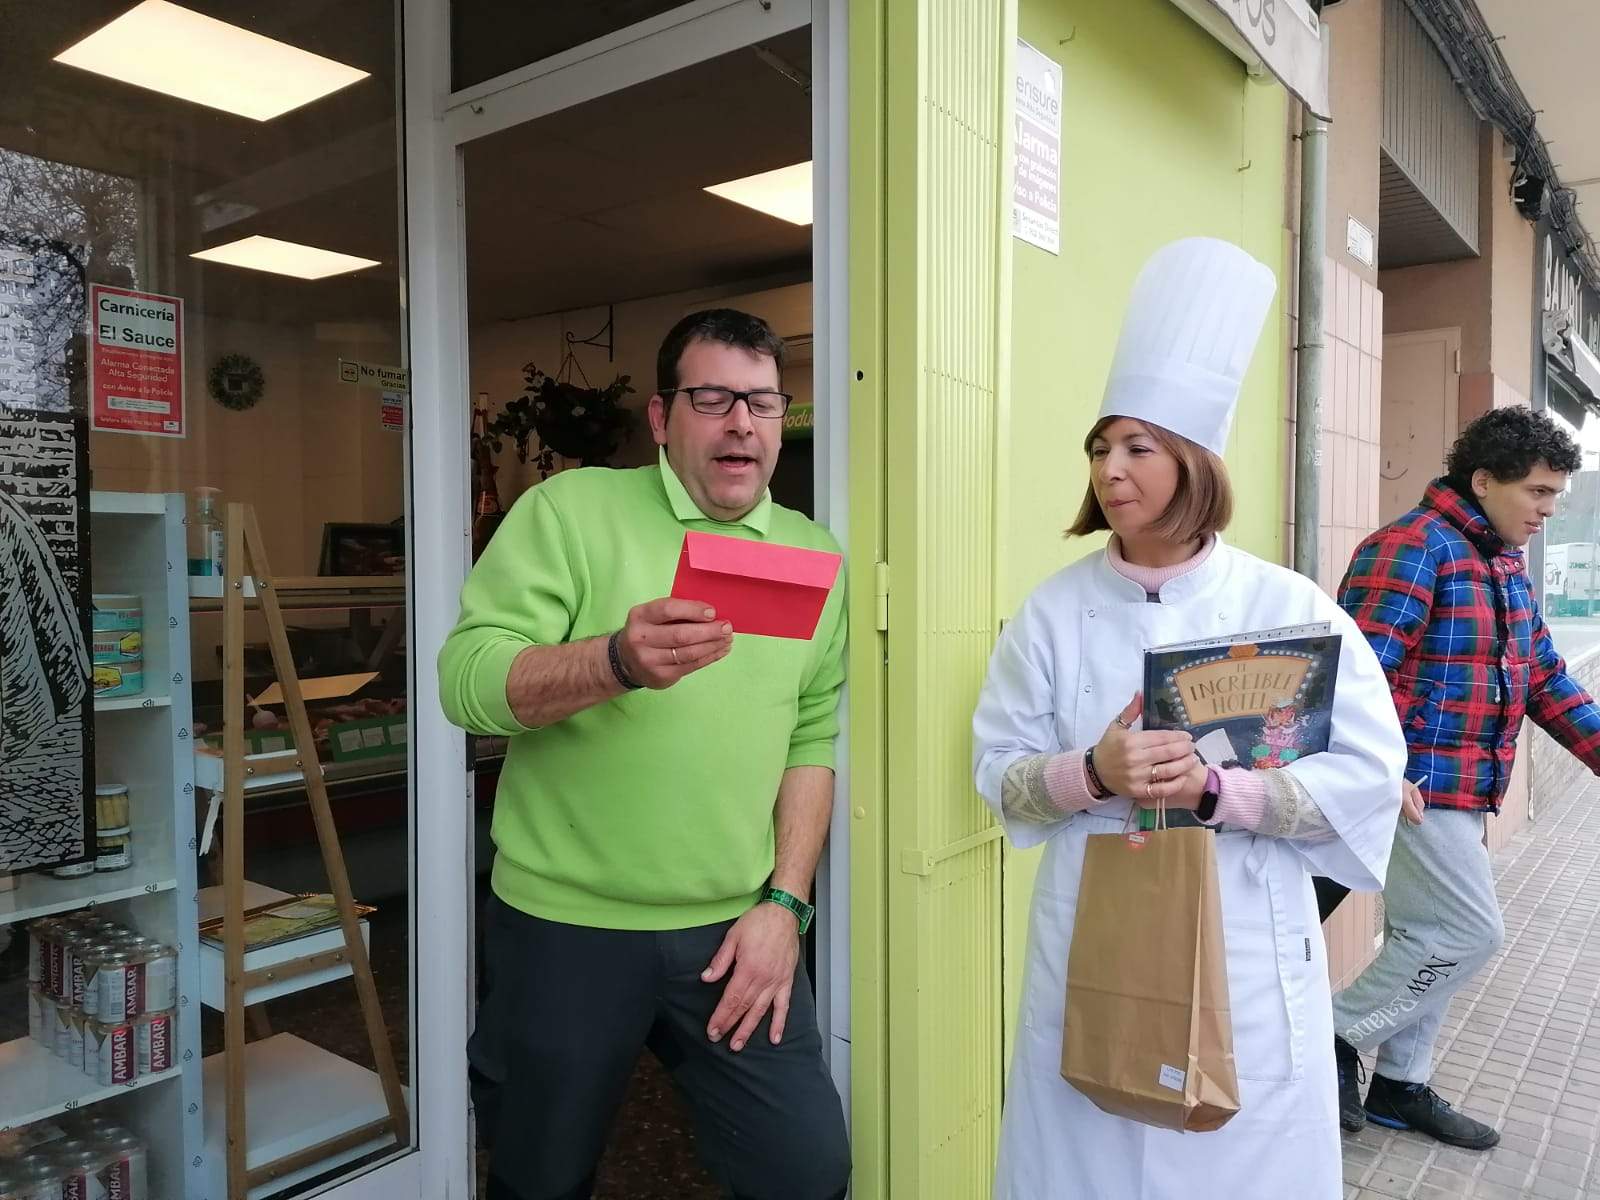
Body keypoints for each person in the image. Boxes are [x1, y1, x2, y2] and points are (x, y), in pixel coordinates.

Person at [971, 237, 1408, 1199]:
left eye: (1138, 447)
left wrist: (1220, 790)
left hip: (1246, 949)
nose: (1110, 469)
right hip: (1094, 941)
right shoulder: (1053, 612)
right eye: (1099, 447)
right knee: (1078, 1161)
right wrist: (1093, 771)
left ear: (1194, 461)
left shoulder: (1287, 610)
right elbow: (997, 768)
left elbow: (1368, 777)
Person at [439, 308, 851, 1200]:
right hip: (565, 928)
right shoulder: (569, 511)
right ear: (663, 419)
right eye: (714, 399)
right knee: (539, 1178)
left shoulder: (813, 554)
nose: (742, 421)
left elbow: (811, 734)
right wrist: (613, 661)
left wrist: (786, 902)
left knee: (808, 1173)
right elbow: (466, 684)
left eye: (764, 402)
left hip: (735, 931)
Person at [1331, 406, 1600, 1149]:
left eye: (1556, 497)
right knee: (1467, 932)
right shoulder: (1413, 549)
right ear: (1483, 480)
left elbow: (1544, 678)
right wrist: (1379, 773)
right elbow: (1354, 682)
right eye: (1539, 493)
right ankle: (1334, 1033)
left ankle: (1398, 1087)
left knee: (1427, 933)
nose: (1548, 510)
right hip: (1417, 790)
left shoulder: (1503, 564)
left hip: (1467, 783)